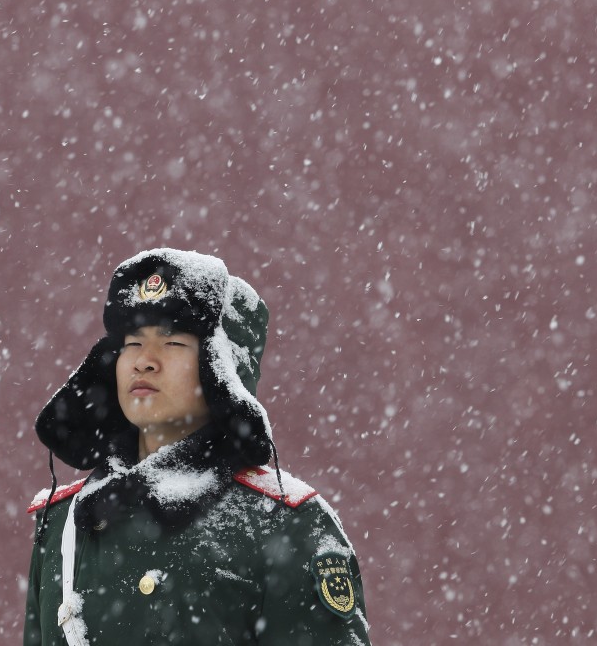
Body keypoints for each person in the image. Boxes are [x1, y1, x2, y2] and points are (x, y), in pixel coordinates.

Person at [23, 248, 372, 646]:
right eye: (133, 343)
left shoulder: (283, 524)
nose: (144, 361)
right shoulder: (62, 521)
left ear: (220, 370)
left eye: (172, 343)